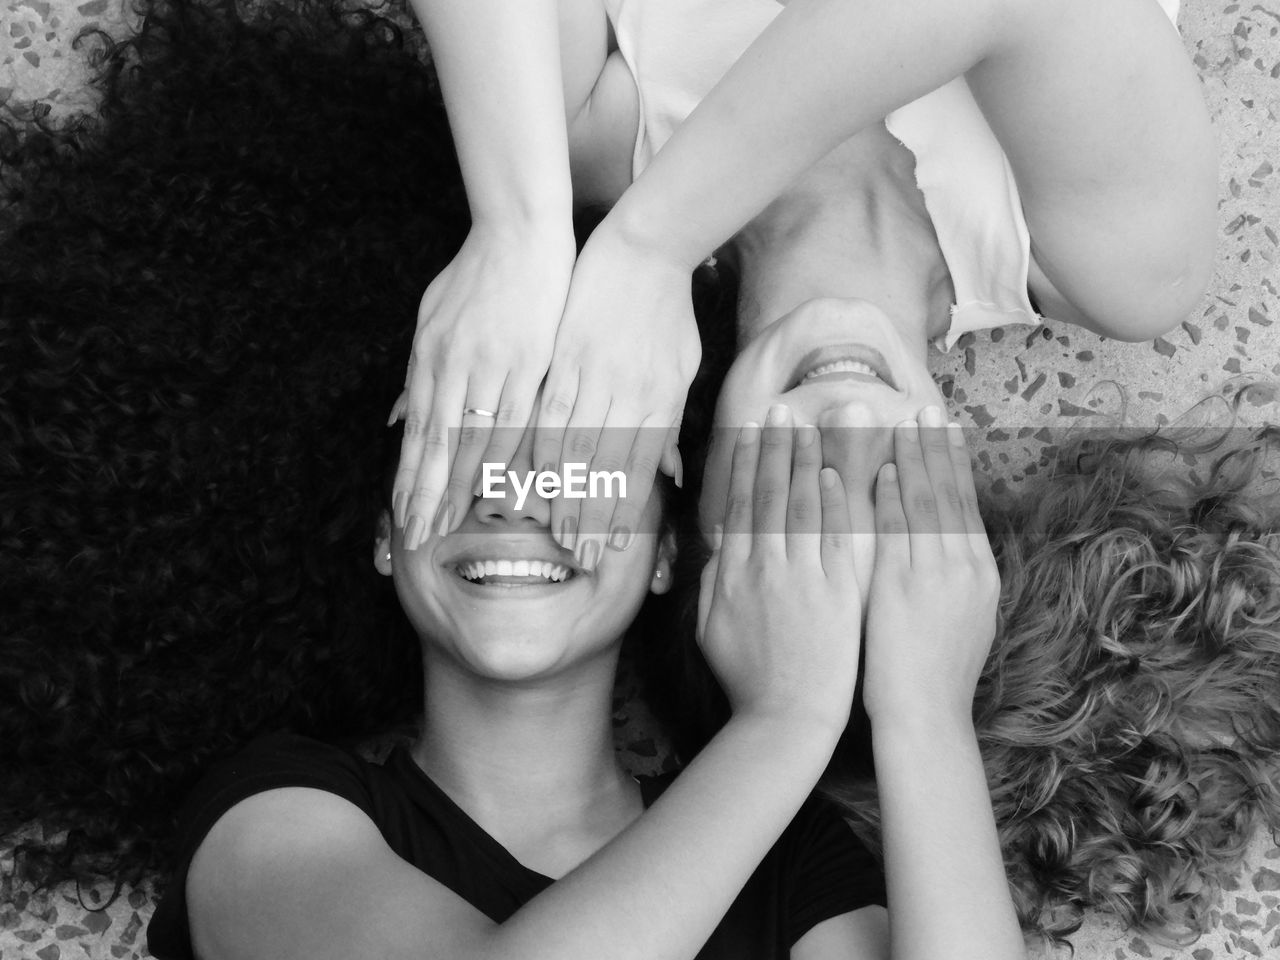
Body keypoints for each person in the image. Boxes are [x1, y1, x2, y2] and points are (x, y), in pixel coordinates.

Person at [141, 406, 1024, 960]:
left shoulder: (789, 854)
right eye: (463, 451)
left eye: (582, 461)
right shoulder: (266, 815)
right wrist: (787, 719)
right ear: (385, 536)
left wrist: (924, 712)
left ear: (663, 554)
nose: (514, 501)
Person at [394, 0, 1215, 580]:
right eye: (894, 511)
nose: (847, 430)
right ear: (965, 496)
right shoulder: (1124, 271)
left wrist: (516, 227)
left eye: (787, 501)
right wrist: (650, 246)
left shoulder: (585, 143)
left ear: (687, 472)